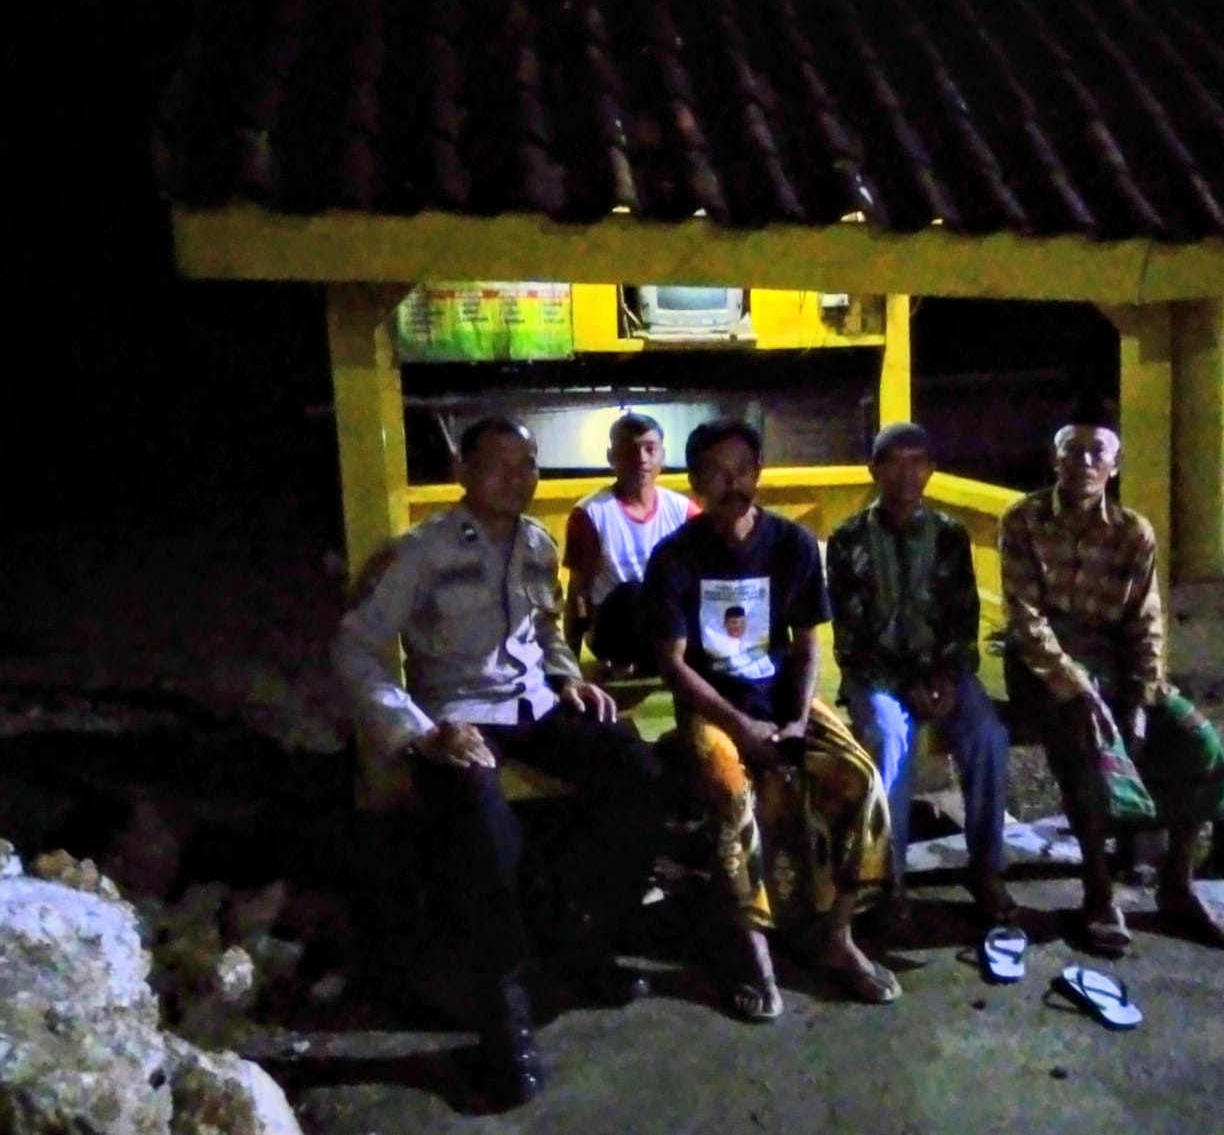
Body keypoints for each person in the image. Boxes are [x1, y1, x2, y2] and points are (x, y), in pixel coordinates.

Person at [333, 417, 666, 1108]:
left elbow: (543, 631)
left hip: (535, 707)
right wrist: (419, 732)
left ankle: (581, 944)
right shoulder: (420, 552)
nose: (518, 478)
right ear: (463, 470)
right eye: (499, 463)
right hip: (458, 717)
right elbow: (355, 649)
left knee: (639, 775)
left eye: (528, 464)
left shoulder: (538, 544)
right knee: (487, 836)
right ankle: (503, 1015)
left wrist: (567, 676)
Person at [643, 418, 898, 1021]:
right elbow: (673, 666)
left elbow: (807, 646)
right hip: (713, 703)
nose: (733, 484)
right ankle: (753, 953)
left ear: (758, 472)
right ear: (695, 481)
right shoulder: (674, 557)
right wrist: (740, 728)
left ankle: (836, 936)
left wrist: (796, 720)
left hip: (783, 699)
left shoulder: (793, 544)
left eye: (743, 470)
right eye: (717, 473)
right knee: (730, 794)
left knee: (861, 779)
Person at [998, 400, 1224, 959]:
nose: (1084, 462)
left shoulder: (1134, 532)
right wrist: (1081, 688)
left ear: (1115, 464)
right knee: (1088, 742)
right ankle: (1098, 891)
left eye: (1097, 452)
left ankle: (1177, 883)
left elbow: (1146, 622)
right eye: (1072, 451)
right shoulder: (1023, 520)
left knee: (1194, 740)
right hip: (1045, 666)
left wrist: (1142, 695)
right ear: (1054, 460)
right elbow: (1026, 621)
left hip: (1114, 663)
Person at [827, 422, 1014, 921]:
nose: (906, 474)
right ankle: (889, 881)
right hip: (877, 675)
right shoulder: (848, 539)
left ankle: (986, 868)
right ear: (875, 470)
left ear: (931, 470)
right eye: (894, 462)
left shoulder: (949, 535)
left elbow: (963, 616)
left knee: (988, 737)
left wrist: (948, 679)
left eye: (917, 463)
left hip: (943, 672)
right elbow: (851, 634)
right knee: (890, 740)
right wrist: (908, 683)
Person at [563, 412, 698, 677]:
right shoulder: (591, 513)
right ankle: (627, 661)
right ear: (611, 457)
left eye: (650, 449)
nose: (641, 459)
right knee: (634, 593)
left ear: (663, 456)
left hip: (668, 625)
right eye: (629, 450)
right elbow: (577, 594)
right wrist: (570, 668)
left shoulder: (683, 511)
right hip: (614, 628)